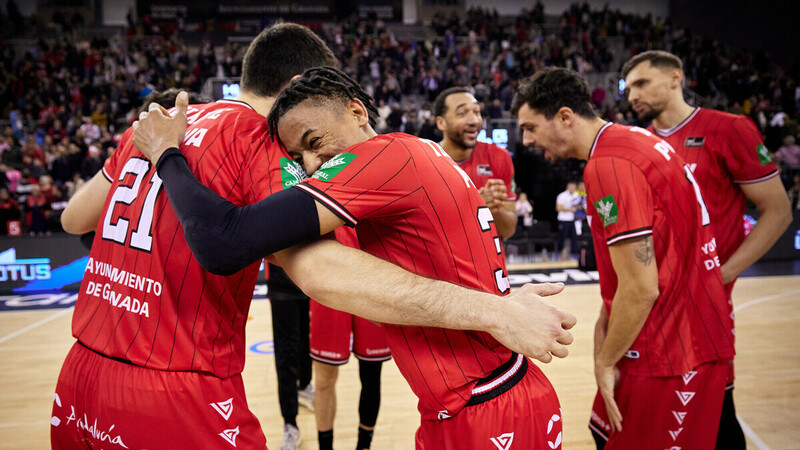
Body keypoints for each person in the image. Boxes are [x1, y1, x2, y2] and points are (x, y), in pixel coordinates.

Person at [132, 67, 577, 448]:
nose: (310, 162)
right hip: (467, 400)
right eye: (296, 155)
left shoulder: (384, 157)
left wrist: (167, 155)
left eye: (313, 139)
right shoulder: (415, 154)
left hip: (489, 406)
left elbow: (223, 241)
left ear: (357, 112)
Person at [51, 23, 343, 449]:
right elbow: (316, 270)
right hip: (173, 385)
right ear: (298, 87)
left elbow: (74, 219)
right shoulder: (258, 140)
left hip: (82, 375)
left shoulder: (159, 124)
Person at [511, 67, 735, 448]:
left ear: (565, 117)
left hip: (673, 350)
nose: (527, 140)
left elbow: (641, 287)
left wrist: (604, 360)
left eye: (531, 127)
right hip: (670, 335)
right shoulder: (633, 141)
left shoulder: (609, 164)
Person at [622, 50, 792, 448]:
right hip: (652, 304)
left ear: (675, 77)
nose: (632, 95)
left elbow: (778, 211)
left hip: (705, 306)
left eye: (641, 83)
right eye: (627, 87)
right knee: (662, 417)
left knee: (716, 411)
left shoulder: (729, 129)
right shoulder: (637, 142)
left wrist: (724, 273)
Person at [311, 228, 390, 450]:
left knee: (372, 375)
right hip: (328, 277)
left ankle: (364, 446)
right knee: (324, 378)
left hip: (372, 276)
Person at [434, 87, 518, 238]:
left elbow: (508, 230)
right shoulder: (425, 162)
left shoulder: (499, 157)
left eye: (477, 112)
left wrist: (494, 208)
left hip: (491, 261)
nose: (474, 120)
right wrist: (476, 204)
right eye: (462, 113)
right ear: (441, 123)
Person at [555, 181, 580, 259]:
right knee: (562, 237)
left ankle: (574, 253)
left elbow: (580, 205)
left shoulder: (577, 195)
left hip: (574, 219)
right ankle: (558, 251)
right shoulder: (562, 196)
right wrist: (570, 209)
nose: (572, 188)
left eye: (574, 187)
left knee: (574, 237)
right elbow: (558, 208)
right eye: (570, 187)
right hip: (564, 219)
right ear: (567, 187)